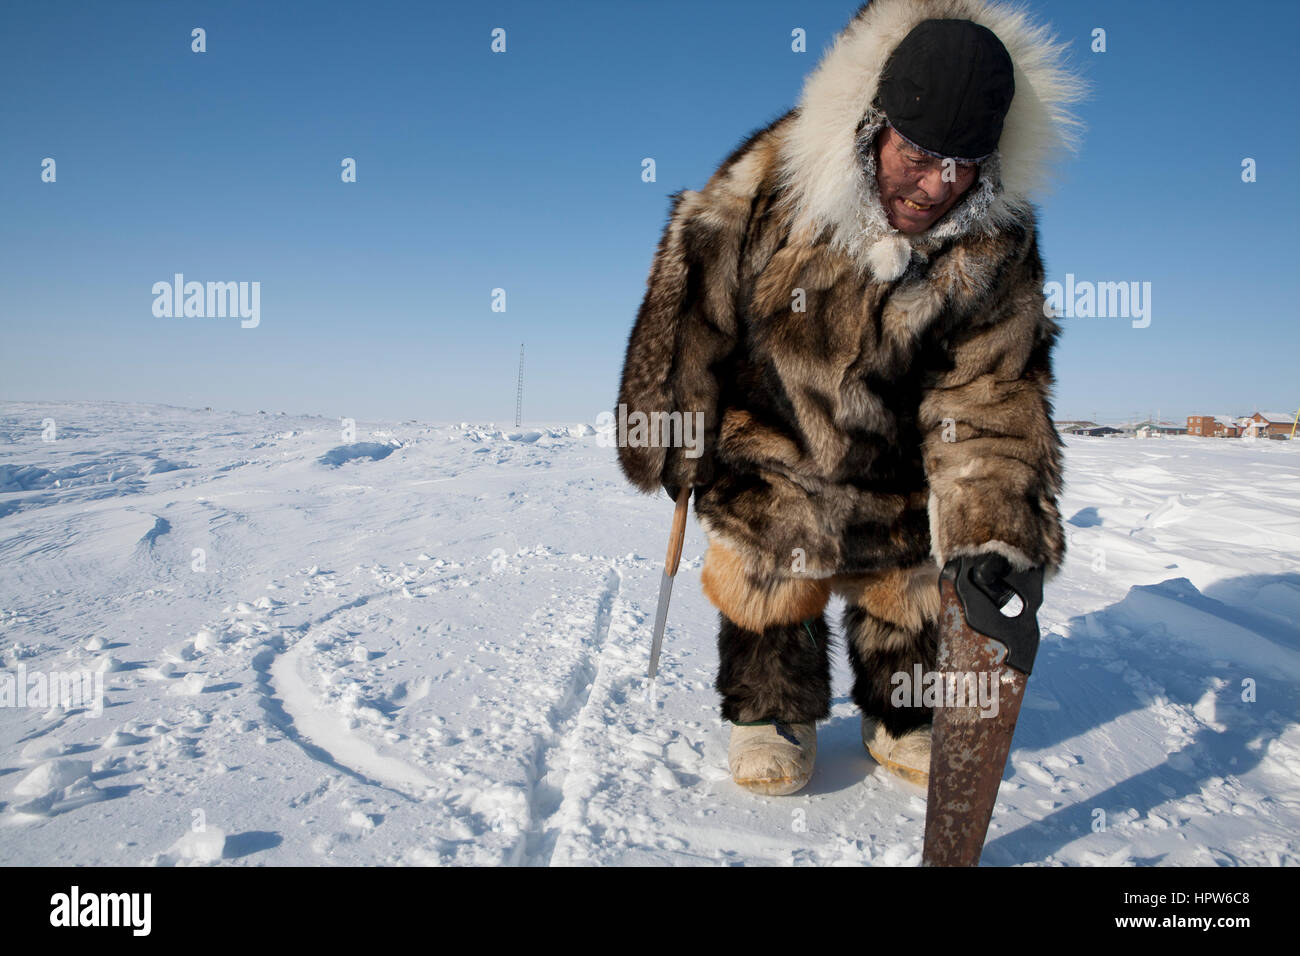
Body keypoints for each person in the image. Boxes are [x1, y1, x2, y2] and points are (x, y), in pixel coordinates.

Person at [615, 0, 1084, 795]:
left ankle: (902, 712)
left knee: (912, 583)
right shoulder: (778, 181)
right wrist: (670, 421)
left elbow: (992, 389)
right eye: (921, 153)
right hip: (772, 441)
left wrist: (991, 523)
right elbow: (695, 304)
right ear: (875, 124)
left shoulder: (998, 245)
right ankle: (771, 713)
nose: (939, 184)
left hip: (896, 464)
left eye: (964, 164)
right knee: (768, 576)